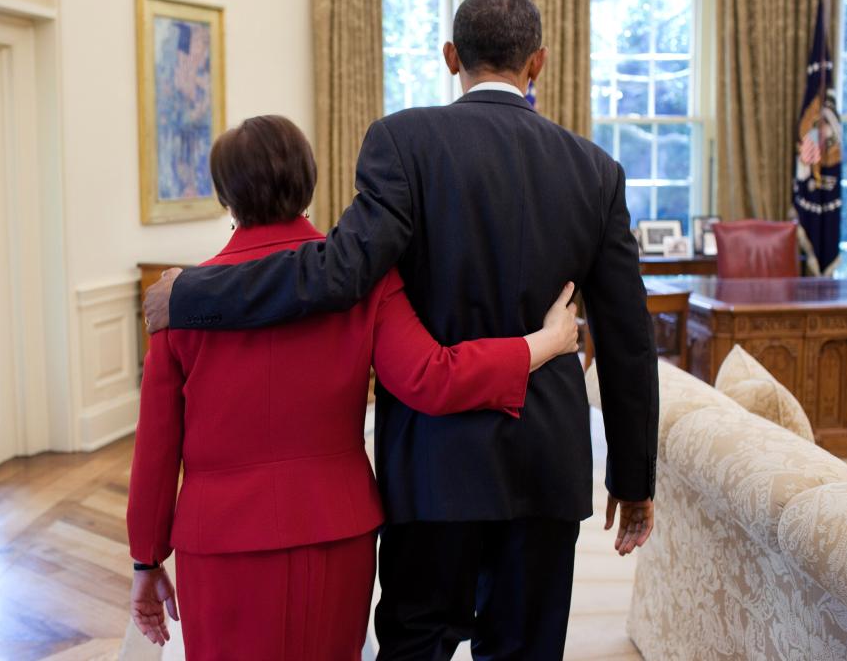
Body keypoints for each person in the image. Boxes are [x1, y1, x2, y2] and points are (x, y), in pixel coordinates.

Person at [145, 0, 658, 659]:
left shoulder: (403, 142)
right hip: (545, 466)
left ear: (452, 57)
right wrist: (633, 478)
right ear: (538, 64)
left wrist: (190, 294)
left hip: (432, 466)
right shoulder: (597, 171)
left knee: (415, 645)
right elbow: (628, 338)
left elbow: (337, 272)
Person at [127, 114, 582, 660]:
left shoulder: (179, 302)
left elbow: (155, 451)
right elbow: (433, 376)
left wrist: (146, 561)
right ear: (310, 182)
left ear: (226, 197)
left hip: (220, 535)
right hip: (336, 527)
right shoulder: (366, 282)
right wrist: (545, 343)